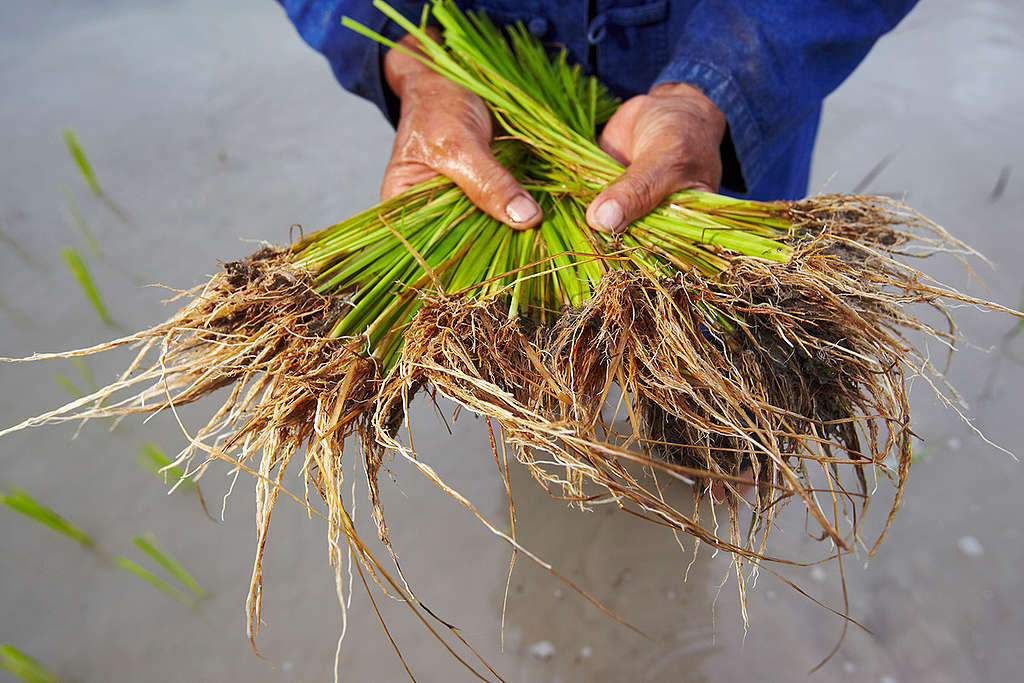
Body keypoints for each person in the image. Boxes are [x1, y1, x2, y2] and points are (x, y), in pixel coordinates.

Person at [277, 0, 918, 235]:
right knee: (522, 334)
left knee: (728, 327)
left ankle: (721, 440)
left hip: (725, 72)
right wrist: (414, 56)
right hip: (489, 82)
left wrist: (711, 92)